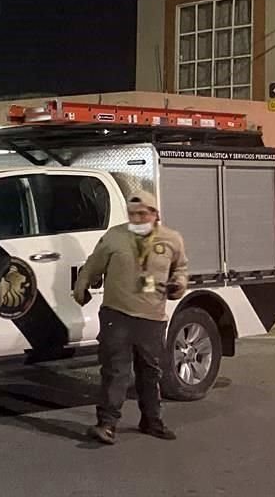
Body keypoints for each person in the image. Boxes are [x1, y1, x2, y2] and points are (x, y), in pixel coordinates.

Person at [73, 190, 188, 445]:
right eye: (132, 214)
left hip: (152, 317)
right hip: (117, 315)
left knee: (150, 372)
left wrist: (178, 285)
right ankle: (107, 424)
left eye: (142, 214)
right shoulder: (115, 237)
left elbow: (180, 269)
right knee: (115, 371)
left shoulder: (171, 239)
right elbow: (94, 264)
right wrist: (81, 285)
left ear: (155, 214)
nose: (136, 218)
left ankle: (152, 421)